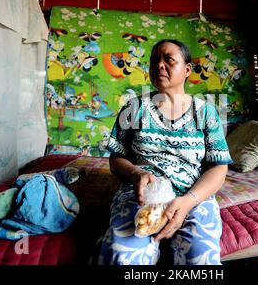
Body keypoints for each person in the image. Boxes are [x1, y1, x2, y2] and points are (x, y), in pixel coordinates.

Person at [97, 39, 232, 265]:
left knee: (200, 257)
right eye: (154, 61)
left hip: (192, 195)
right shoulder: (134, 108)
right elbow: (117, 158)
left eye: (168, 60)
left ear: (187, 69)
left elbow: (218, 167)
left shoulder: (207, 112)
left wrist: (187, 202)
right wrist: (135, 174)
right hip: (141, 195)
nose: (159, 65)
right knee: (122, 255)